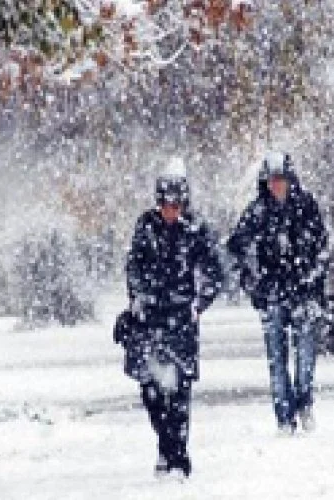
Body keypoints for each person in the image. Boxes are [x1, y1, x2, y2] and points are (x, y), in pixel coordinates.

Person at [120, 159, 223, 478]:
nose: (171, 210)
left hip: (181, 318)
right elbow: (133, 267)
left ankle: (178, 457)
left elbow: (214, 272)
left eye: (176, 204)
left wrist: (198, 304)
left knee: (179, 393)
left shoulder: (197, 230)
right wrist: (137, 298)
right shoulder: (145, 227)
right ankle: (166, 446)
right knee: (150, 390)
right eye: (166, 204)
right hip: (149, 318)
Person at [227, 151, 328, 434]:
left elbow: (322, 247)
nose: (276, 185)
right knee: (277, 359)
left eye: (280, 179)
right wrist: (253, 283)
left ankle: (304, 401)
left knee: (305, 356)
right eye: (271, 180)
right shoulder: (257, 211)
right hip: (272, 293)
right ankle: (284, 416)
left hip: (303, 291)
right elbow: (236, 247)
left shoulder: (306, 207)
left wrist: (313, 281)